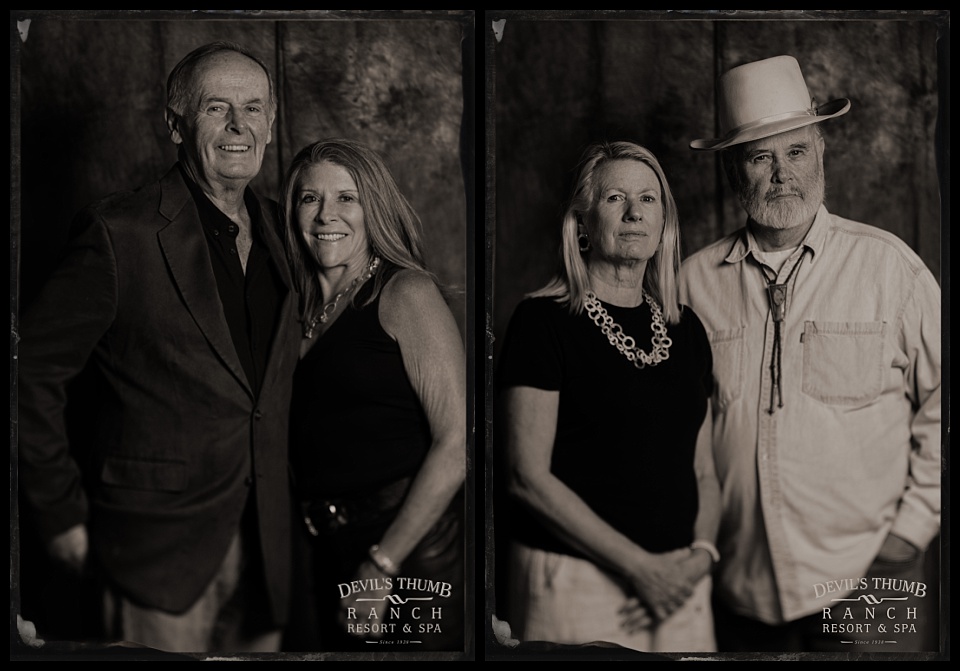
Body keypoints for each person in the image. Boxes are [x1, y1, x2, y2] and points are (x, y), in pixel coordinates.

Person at [18, 42, 302, 653]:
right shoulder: (118, 234)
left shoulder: (288, 231)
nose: (238, 126)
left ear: (272, 124)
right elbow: (27, 375)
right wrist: (59, 515)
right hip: (154, 554)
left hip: (271, 552)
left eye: (253, 109)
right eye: (215, 108)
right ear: (175, 124)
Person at [681, 55, 941, 652]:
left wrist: (912, 529)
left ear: (821, 153)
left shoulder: (889, 268)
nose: (781, 175)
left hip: (874, 576)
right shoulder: (690, 284)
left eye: (795, 152)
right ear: (731, 171)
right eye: (759, 156)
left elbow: (941, 404)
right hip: (736, 587)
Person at [495, 140, 720, 653]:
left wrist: (701, 556)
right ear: (582, 223)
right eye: (616, 198)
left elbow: (704, 470)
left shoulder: (686, 330)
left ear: (664, 222)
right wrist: (642, 568)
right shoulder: (542, 322)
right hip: (578, 583)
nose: (636, 212)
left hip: (681, 583)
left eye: (649, 199)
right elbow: (524, 477)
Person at [279, 138, 466, 652]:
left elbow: (458, 444)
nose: (325, 215)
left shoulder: (405, 293)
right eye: (309, 198)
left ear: (373, 209)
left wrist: (381, 566)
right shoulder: (295, 311)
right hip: (324, 545)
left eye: (346, 198)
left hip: (408, 547)